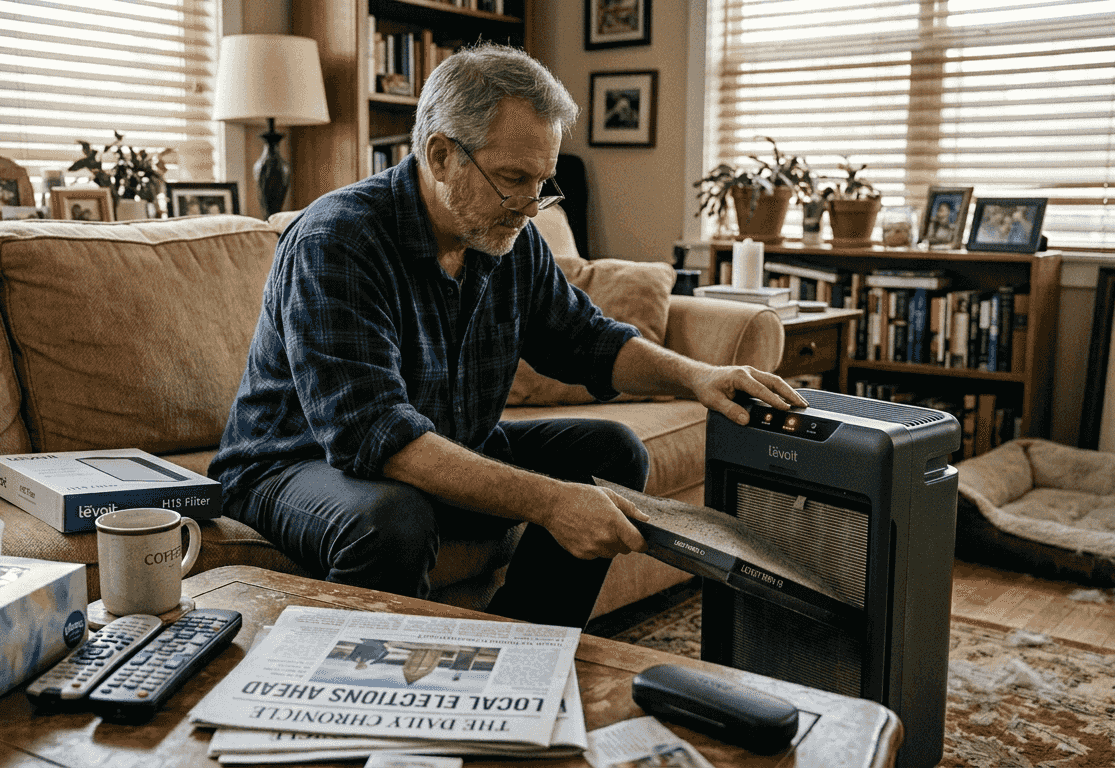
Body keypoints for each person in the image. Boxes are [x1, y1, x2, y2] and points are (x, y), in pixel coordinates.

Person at [209, 42, 805, 629]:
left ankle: (519, 646)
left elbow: (587, 340)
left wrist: (699, 375)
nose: (529, 206)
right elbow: (376, 436)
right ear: (440, 155)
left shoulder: (505, 235)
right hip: (289, 465)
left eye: (542, 183)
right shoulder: (338, 241)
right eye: (512, 179)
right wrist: (551, 502)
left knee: (613, 452)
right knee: (392, 519)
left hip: (442, 441)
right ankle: (372, 700)